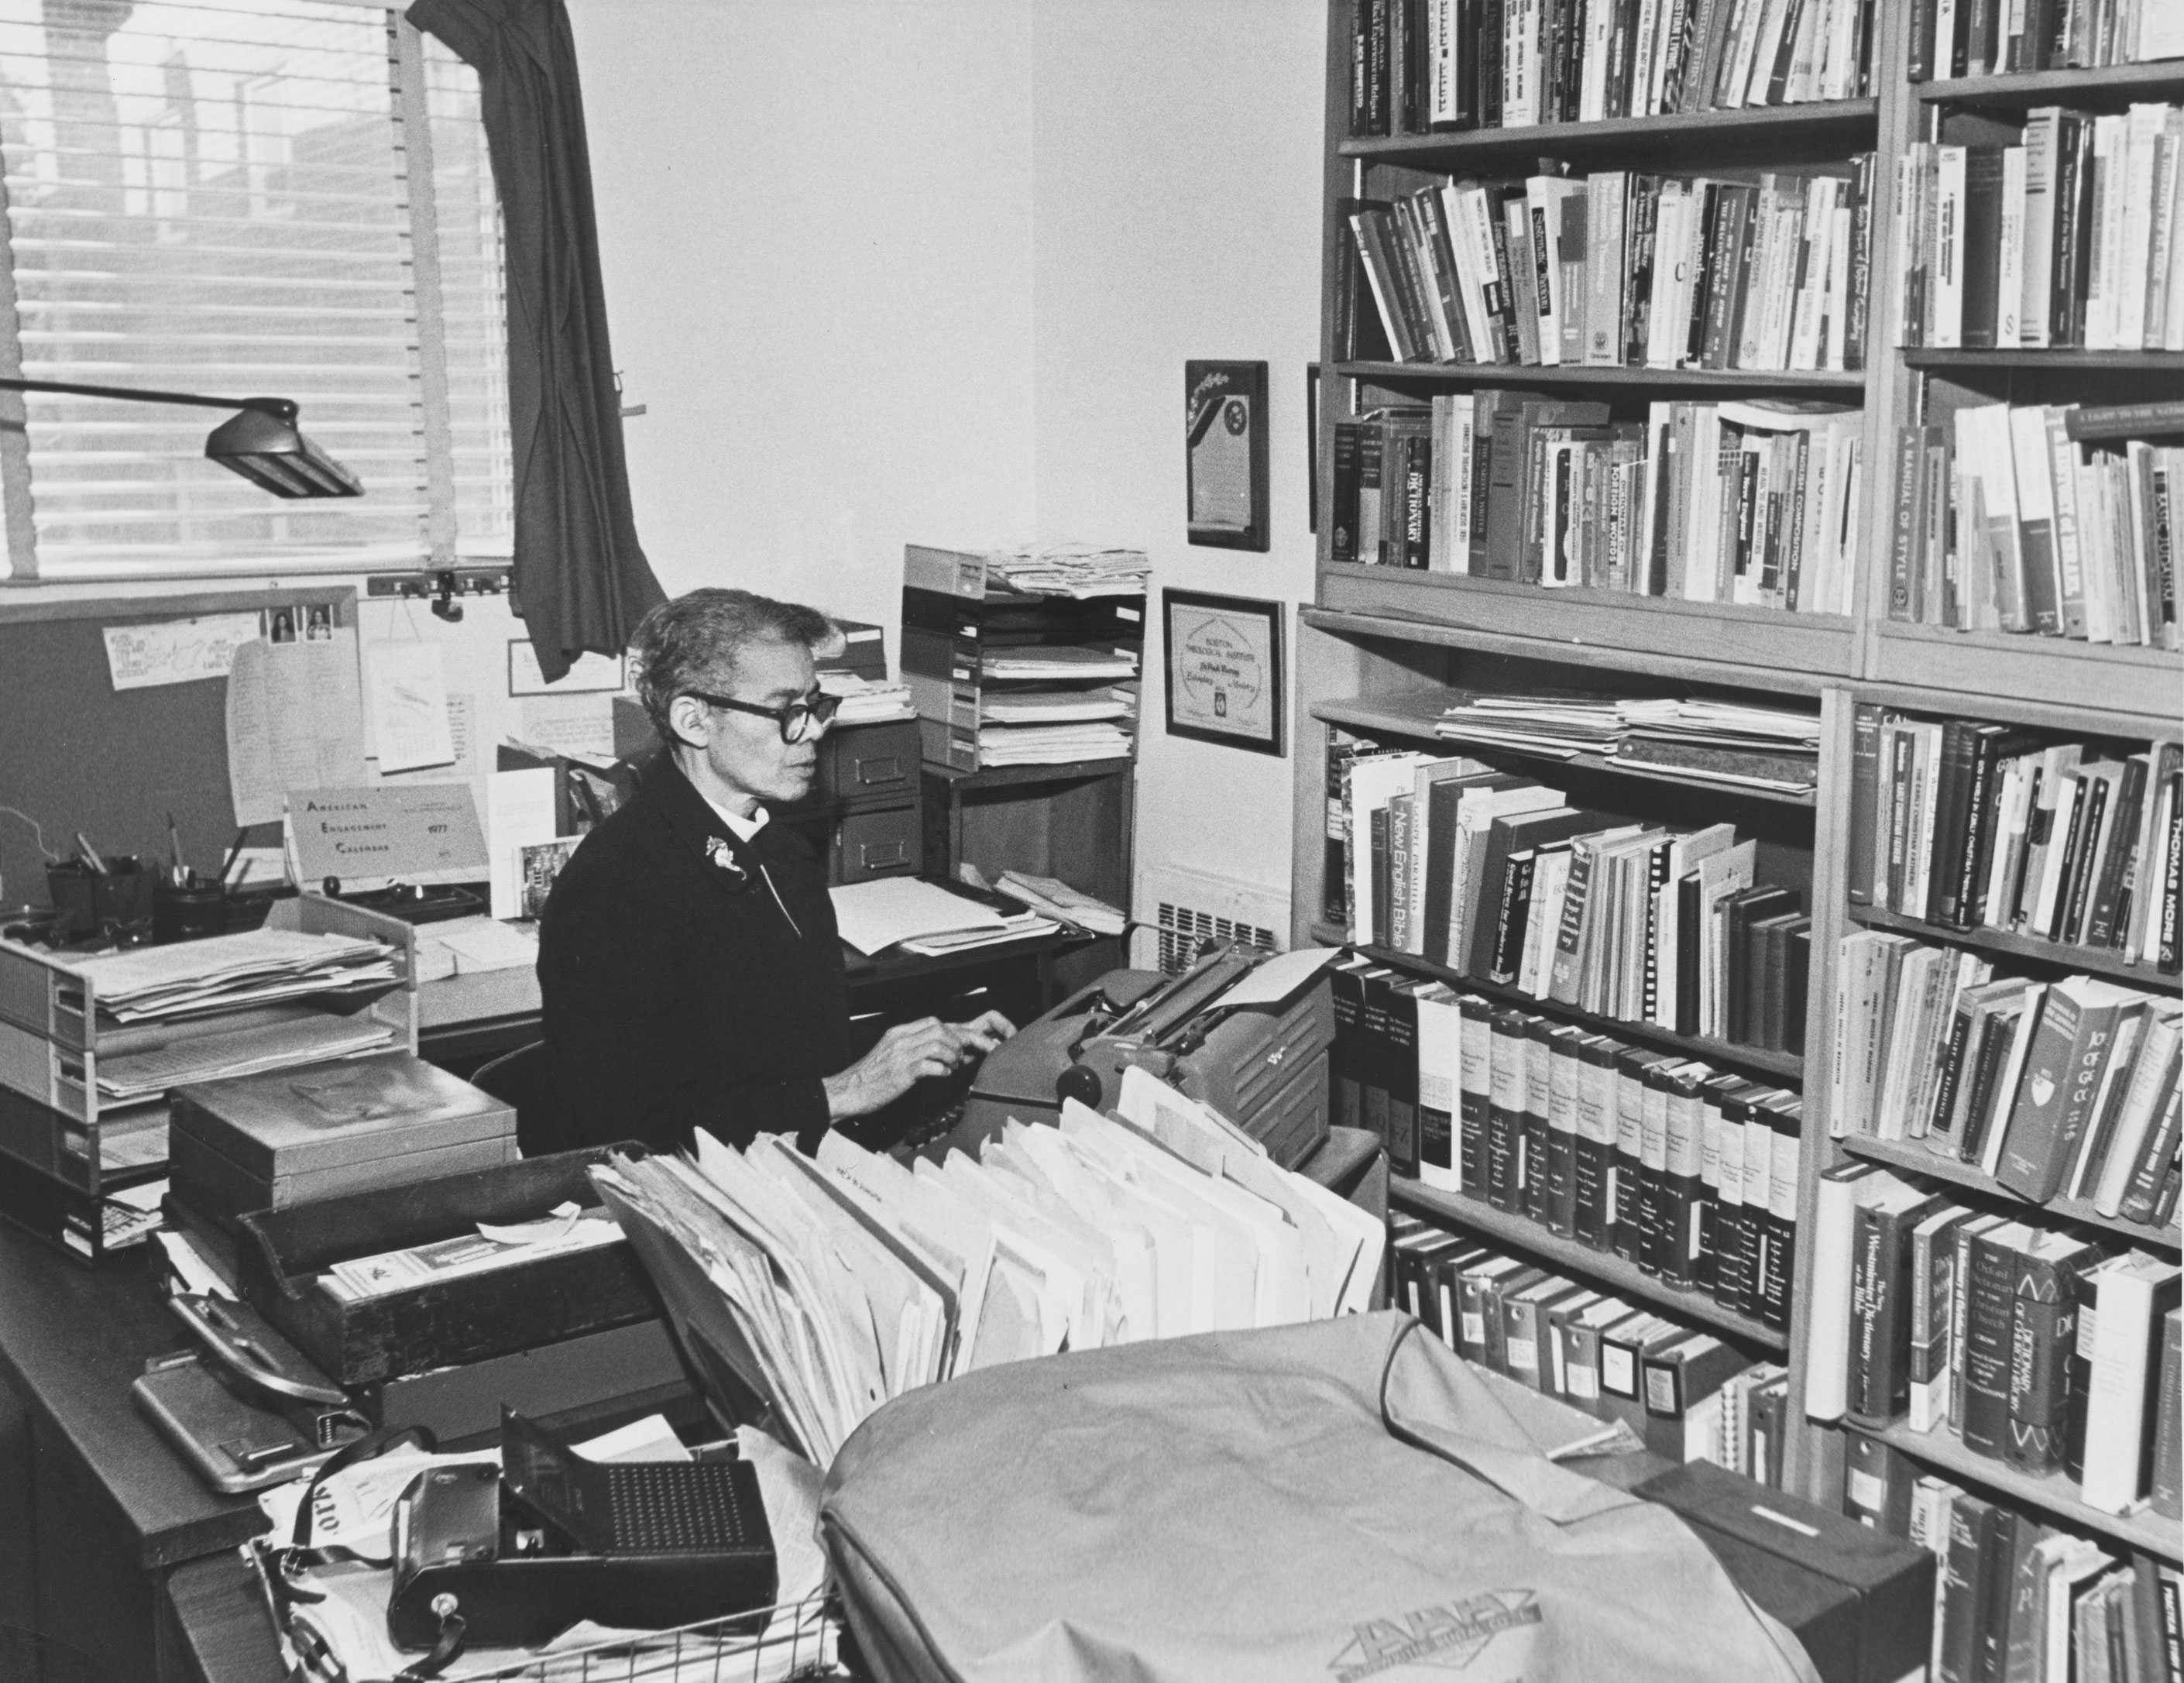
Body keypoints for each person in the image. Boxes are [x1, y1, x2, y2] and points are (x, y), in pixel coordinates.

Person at [530, 588, 1011, 1157]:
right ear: (694, 720)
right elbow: (627, 1127)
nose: (812, 731)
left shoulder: (779, 850)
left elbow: (788, 1048)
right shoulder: (614, 887)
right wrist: (846, 1090)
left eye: (814, 704)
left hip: (789, 1160)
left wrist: (926, 1043)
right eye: (786, 711)